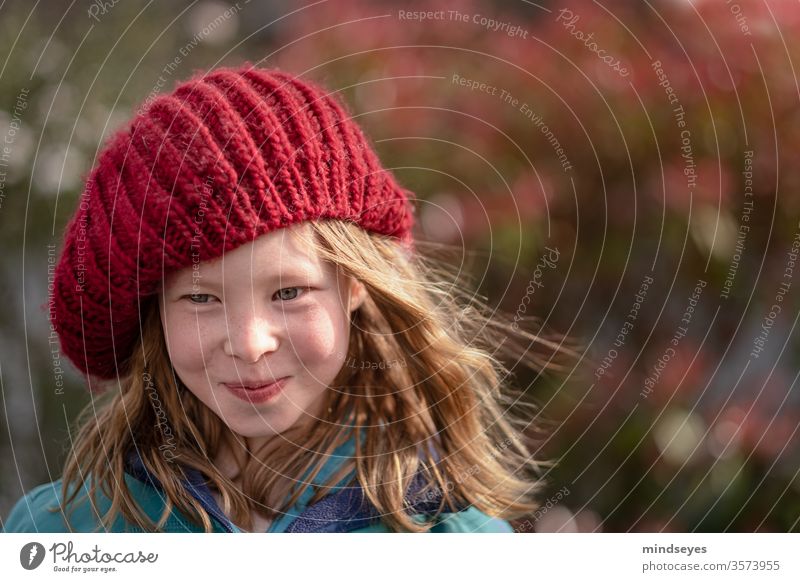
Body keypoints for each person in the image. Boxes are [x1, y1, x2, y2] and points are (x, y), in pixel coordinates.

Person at [3, 63, 572, 533]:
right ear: (152, 312)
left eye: (290, 291)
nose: (250, 344)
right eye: (200, 299)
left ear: (354, 285)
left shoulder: (456, 543)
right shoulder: (64, 532)